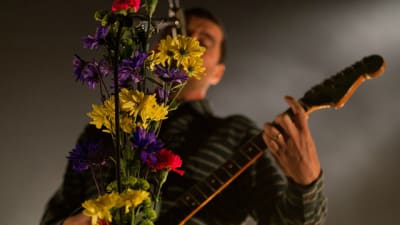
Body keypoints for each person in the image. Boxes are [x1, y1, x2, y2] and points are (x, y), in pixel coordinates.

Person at [40, 7, 327, 225]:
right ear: (154, 52)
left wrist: (307, 183)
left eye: (206, 40)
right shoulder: (104, 129)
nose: (189, 42)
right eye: (180, 34)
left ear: (217, 73)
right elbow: (54, 217)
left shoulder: (236, 134)